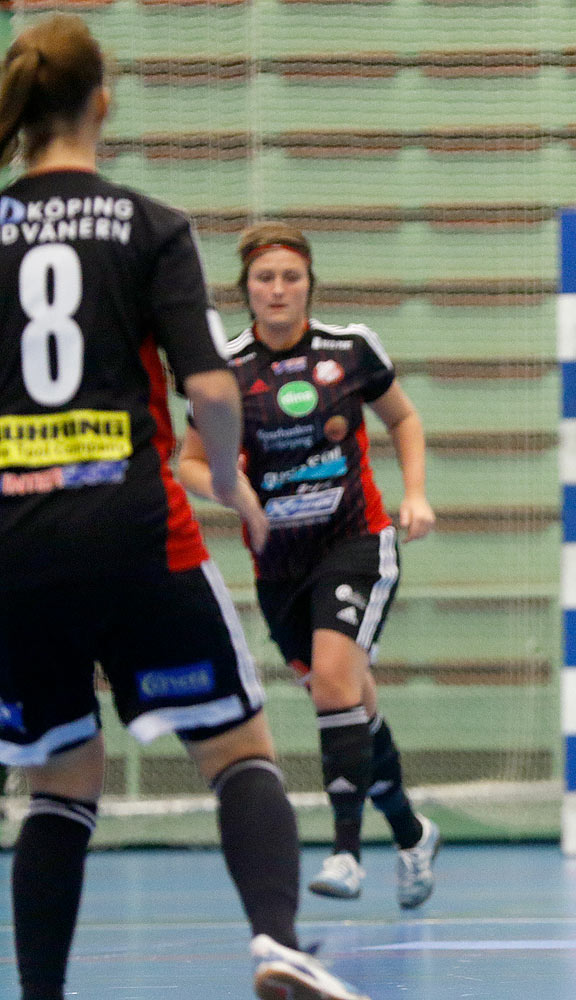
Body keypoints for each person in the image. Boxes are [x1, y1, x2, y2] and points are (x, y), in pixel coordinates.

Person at [0, 16, 365, 1000]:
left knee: (60, 783)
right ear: (102, 104)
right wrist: (239, 485)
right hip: (133, 527)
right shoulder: (150, 226)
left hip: (14, 546)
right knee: (237, 746)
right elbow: (209, 388)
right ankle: (274, 942)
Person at [177, 221, 440, 908]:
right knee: (353, 701)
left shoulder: (349, 350)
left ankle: (347, 855)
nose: (278, 289)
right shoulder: (225, 370)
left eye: (290, 277)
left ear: (308, 285)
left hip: (356, 542)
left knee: (332, 685)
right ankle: (412, 834)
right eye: (265, 278)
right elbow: (189, 462)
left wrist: (414, 493)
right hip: (278, 566)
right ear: (247, 290)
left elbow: (403, 419)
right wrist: (229, 491)